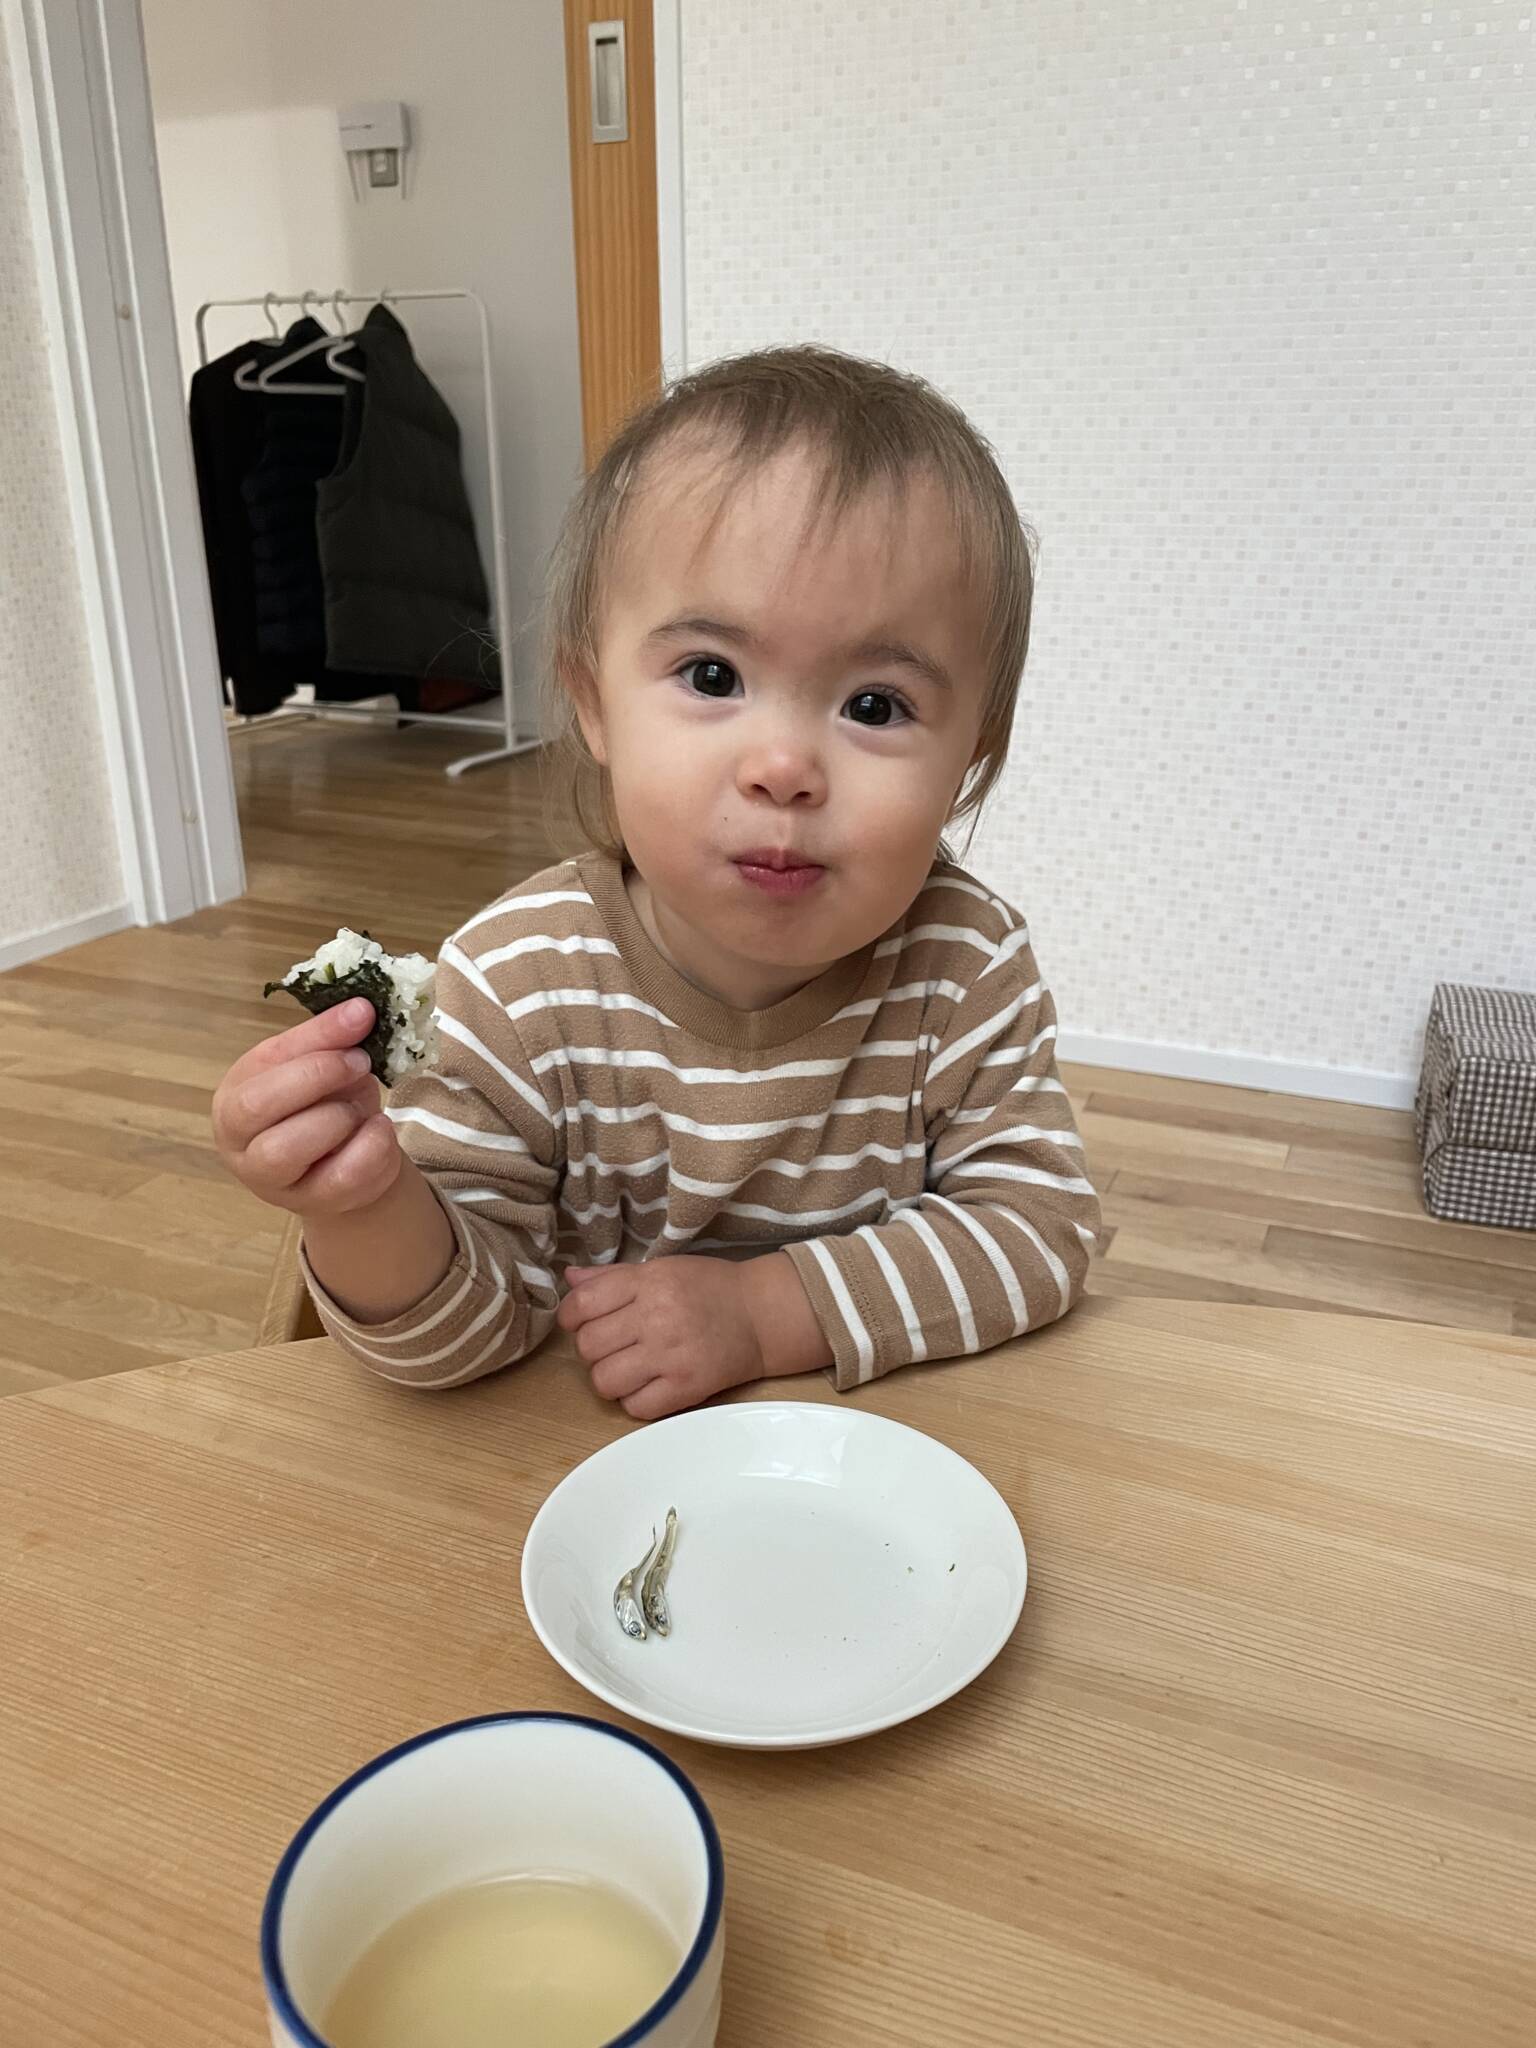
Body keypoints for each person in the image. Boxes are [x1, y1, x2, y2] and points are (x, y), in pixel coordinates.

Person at [212, 347, 1101, 1417]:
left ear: (970, 752)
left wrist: (764, 1311)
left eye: (875, 705)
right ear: (594, 702)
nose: (784, 767)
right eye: (712, 676)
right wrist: (364, 1208)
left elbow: (1039, 1229)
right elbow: (460, 1343)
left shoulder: (964, 969)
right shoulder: (517, 986)